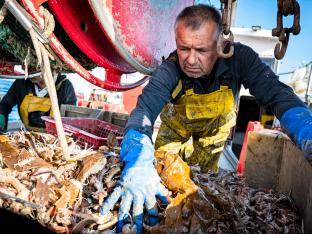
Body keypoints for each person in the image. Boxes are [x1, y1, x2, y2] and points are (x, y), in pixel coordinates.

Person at [100, 4, 312, 233]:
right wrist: (137, 152)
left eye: (201, 50)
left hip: (213, 138)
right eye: (184, 48)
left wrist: (305, 128)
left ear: (221, 46)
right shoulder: (170, 69)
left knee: (203, 188)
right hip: (175, 133)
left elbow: (275, 92)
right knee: (163, 183)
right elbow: (144, 111)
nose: (190, 60)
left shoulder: (241, 59)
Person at [0, 73, 77, 132]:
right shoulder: (21, 82)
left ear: (54, 69)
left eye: (37, 68)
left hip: (54, 139)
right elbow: (5, 104)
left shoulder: (65, 86)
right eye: (28, 68)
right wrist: (1, 115)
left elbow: (69, 120)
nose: (31, 72)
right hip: (27, 135)